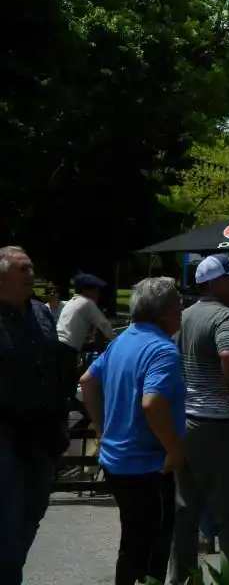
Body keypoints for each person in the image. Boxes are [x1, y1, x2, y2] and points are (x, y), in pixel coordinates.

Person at [79, 277, 186, 585]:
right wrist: (174, 449)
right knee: (150, 551)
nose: (182, 311)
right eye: (178, 304)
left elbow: (87, 380)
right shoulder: (163, 350)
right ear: (164, 312)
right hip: (148, 466)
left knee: (133, 543)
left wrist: (100, 427)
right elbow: (152, 403)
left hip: (117, 461)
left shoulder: (122, 340)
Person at [169, 254, 229, 584]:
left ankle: (182, 579)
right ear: (214, 283)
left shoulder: (184, 316)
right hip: (218, 423)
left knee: (186, 513)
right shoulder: (225, 317)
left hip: (186, 423)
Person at [0, 246, 68, 584]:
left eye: (32, 268)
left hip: (41, 434)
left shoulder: (42, 313)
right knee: (7, 518)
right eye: (23, 269)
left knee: (33, 513)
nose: (31, 275)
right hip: (5, 433)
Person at [56, 272, 115, 398]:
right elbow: (104, 325)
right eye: (95, 289)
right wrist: (118, 341)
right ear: (85, 290)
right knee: (68, 387)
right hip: (67, 349)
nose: (98, 294)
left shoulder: (71, 302)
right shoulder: (87, 303)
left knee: (61, 383)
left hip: (58, 345)